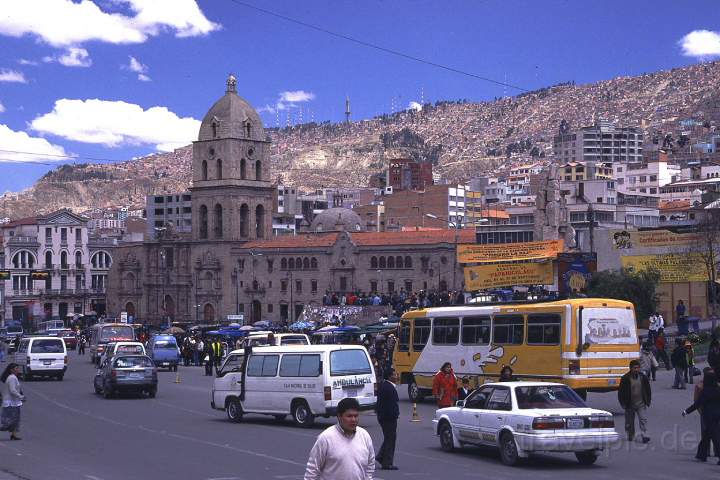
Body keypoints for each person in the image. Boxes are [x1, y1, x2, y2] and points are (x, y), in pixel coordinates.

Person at [304, 397, 375, 480]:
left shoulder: (364, 436)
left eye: (356, 416)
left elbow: (370, 465)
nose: (353, 420)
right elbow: (312, 471)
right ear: (339, 416)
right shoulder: (326, 438)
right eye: (349, 416)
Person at [682, 370, 720, 464]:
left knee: (715, 438)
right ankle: (701, 454)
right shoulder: (718, 390)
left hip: (708, 417)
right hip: (717, 415)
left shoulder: (705, 391)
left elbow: (697, 404)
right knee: (707, 435)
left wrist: (686, 411)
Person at [618, 359, 651, 443]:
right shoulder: (625, 378)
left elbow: (648, 389)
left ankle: (644, 435)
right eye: (634, 368)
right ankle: (630, 434)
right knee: (629, 422)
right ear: (630, 368)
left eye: (638, 368)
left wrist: (648, 400)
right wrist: (623, 403)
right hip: (630, 404)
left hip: (641, 403)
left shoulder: (643, 377)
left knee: (643, 419)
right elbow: (621, 392)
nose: (636, 369)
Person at [375, 368, 399, 471]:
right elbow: (390, 405)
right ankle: (387, 463)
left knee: (389, 438)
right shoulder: (388, 388)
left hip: (384, 417)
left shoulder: (386, 386)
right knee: (390, 439)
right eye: (394, 374)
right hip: (388, 418)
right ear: (389, 376)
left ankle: (381, 456)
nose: (396, 376)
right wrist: (394, 415)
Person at [693, 367, 716, 462]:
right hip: (705, 413)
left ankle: (715, 450)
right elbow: (696, 400)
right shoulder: (700, 386)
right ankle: (706, 451)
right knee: (705, 432)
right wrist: (700, 411)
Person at [1, 363, 25, 440]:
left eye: (18, 368)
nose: (18, 370)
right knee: (8, 422)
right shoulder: (12, 378)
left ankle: (13, 435)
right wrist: (20, 396)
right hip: (10, 402)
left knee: (15, 419)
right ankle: (13, 434)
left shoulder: (14, 377)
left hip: (14, 402)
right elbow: (12, 390)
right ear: (11, 370)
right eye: (16, 368)